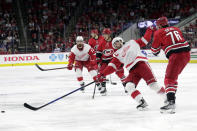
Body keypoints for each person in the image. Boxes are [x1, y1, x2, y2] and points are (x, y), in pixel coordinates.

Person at [95, 31, 166, 111]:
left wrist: (149, 30)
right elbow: (111, 66)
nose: (117, 44)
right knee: (128, 86)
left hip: (141, 64)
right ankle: (141, 102)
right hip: (132, 71)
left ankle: (168, 98)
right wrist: (102, 74)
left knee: (153, 85)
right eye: (115, 43)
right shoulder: (117, 54)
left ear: (122, 41)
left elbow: (145, 39)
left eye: (118, 41)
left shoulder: (132, 42)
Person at [151, 16, 191, 114]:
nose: (157, 27)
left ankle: (171, 102)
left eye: (157, 25)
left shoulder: (158, 32)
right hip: (187, 54)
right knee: (173, 78)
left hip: (176, 55)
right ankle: (171, 96)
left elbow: (154, 50)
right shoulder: (176, 28)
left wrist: (158, 46)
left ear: (160, 25)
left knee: (169, 79)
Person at [96, 28, 126, 95]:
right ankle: (103, 88)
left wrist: (121, 62)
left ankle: (126, 86)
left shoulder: (115, 41)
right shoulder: (101, 41)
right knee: (102, 73)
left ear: (109, 34)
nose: (104, 36)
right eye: (103, 34)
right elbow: (98, 52)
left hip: (114, 60)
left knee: (120, 72)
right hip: (104, 61)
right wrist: (98, 62)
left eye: (105, 34)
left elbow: (120, 51)